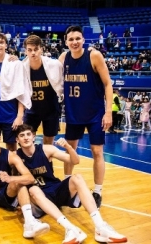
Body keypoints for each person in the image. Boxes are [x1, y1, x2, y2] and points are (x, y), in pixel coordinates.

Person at [15, 124, 128, 243]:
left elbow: (75, 161)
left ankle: (100, 226)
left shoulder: (46, 149)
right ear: (17, 140)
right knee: (33, 189)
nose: (26, 138)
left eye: (28, 134)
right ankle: (70, 229)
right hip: (38, 199)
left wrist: (68, 147)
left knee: (77, 178)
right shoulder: (15, 156)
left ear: (33, 136)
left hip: (54, 190)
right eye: (22, 135)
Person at [58, 26, 113, 208]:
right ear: (66, 42)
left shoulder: (94, 55)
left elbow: (107, 84)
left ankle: (97, 191)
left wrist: (108, 112)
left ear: (83, 40)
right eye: (71, 39)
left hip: (95, 114)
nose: (74, 42)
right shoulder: (63, 58)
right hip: (73, 113)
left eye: (77, 38)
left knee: (97, 152)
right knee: (69, 151)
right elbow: (43, 67)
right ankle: (66, 186)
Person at [0, 32, 32, 151]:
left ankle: (11, 170)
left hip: (9, 114)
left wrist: (19, 116)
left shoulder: (15, 64)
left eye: (1, 42)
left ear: (6, 45)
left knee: (12, 146)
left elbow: (21, 92)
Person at [22, 35, 63, 145]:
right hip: (32, 110)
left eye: (36, 49)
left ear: (41, 49)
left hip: (50, 110)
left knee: (48, 144)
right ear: (25, 51)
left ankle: (47, 162)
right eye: (29, 50)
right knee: (26, 142)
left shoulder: (54, 65)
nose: (33, 53)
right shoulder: (21, 67)